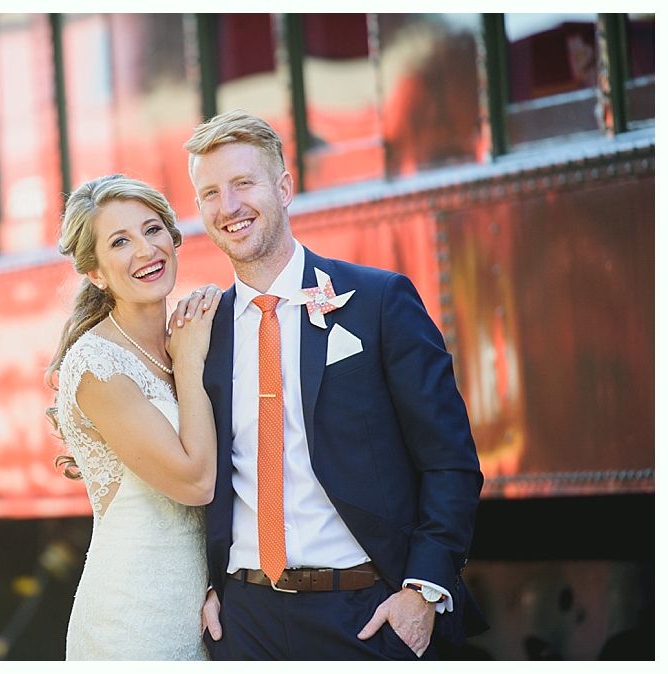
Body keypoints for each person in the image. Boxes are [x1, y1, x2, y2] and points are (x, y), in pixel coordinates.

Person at [176, 110, 488, 659]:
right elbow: (193, 477)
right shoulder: (204, 333)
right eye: (210, 193)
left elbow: (450, 459)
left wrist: (421, 591)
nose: (228, 207)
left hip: (365, 612)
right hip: (246, 621)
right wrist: (202, 585)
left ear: (284, 187)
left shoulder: (378, 301)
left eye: (243, 183)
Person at [45, 174, 222, 660]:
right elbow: (195, 482)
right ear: (96, 271)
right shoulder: (96, 364)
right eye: (120, 241)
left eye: (153, 230)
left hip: (200, 608)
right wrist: (188, 364)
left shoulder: (183, 339)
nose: (146, 250)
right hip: (133, 617)